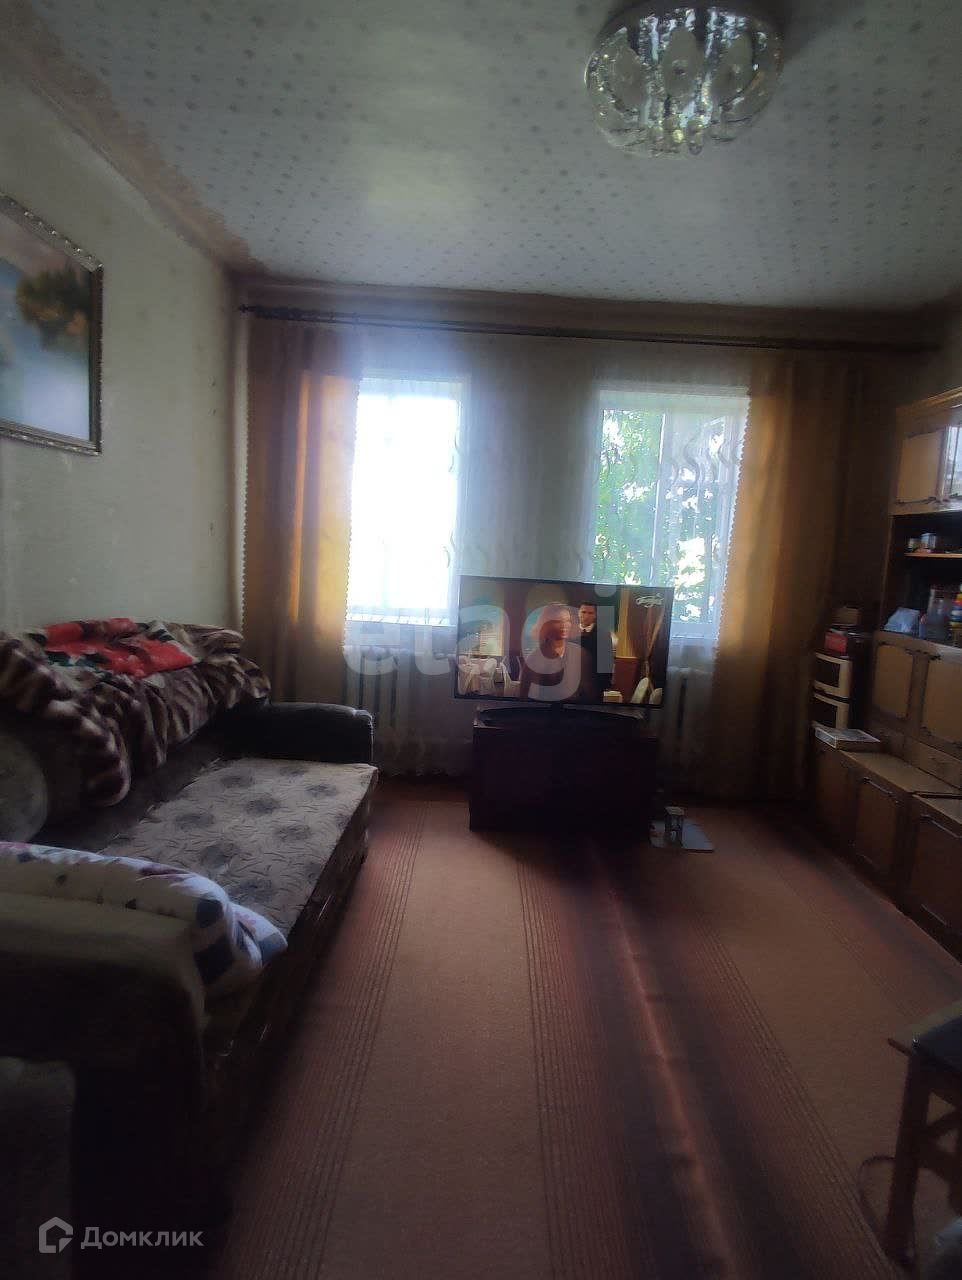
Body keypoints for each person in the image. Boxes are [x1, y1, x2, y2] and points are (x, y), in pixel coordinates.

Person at [519, 604, 593, 702]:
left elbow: (590, 694)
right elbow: (527, 699)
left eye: (567, 620)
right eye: (558, 621)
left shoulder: (581, 654)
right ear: (546, 624)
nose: (564, 625)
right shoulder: (534, 659)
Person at [576, 601, 613, 702]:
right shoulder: (569, 632)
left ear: (595, 615)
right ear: (578, 613)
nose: (586, 616)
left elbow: (607, 663)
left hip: (594, 684)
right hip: (571, 684)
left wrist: (603, 685)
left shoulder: (603, 635)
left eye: (590, 613)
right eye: (583, 612)